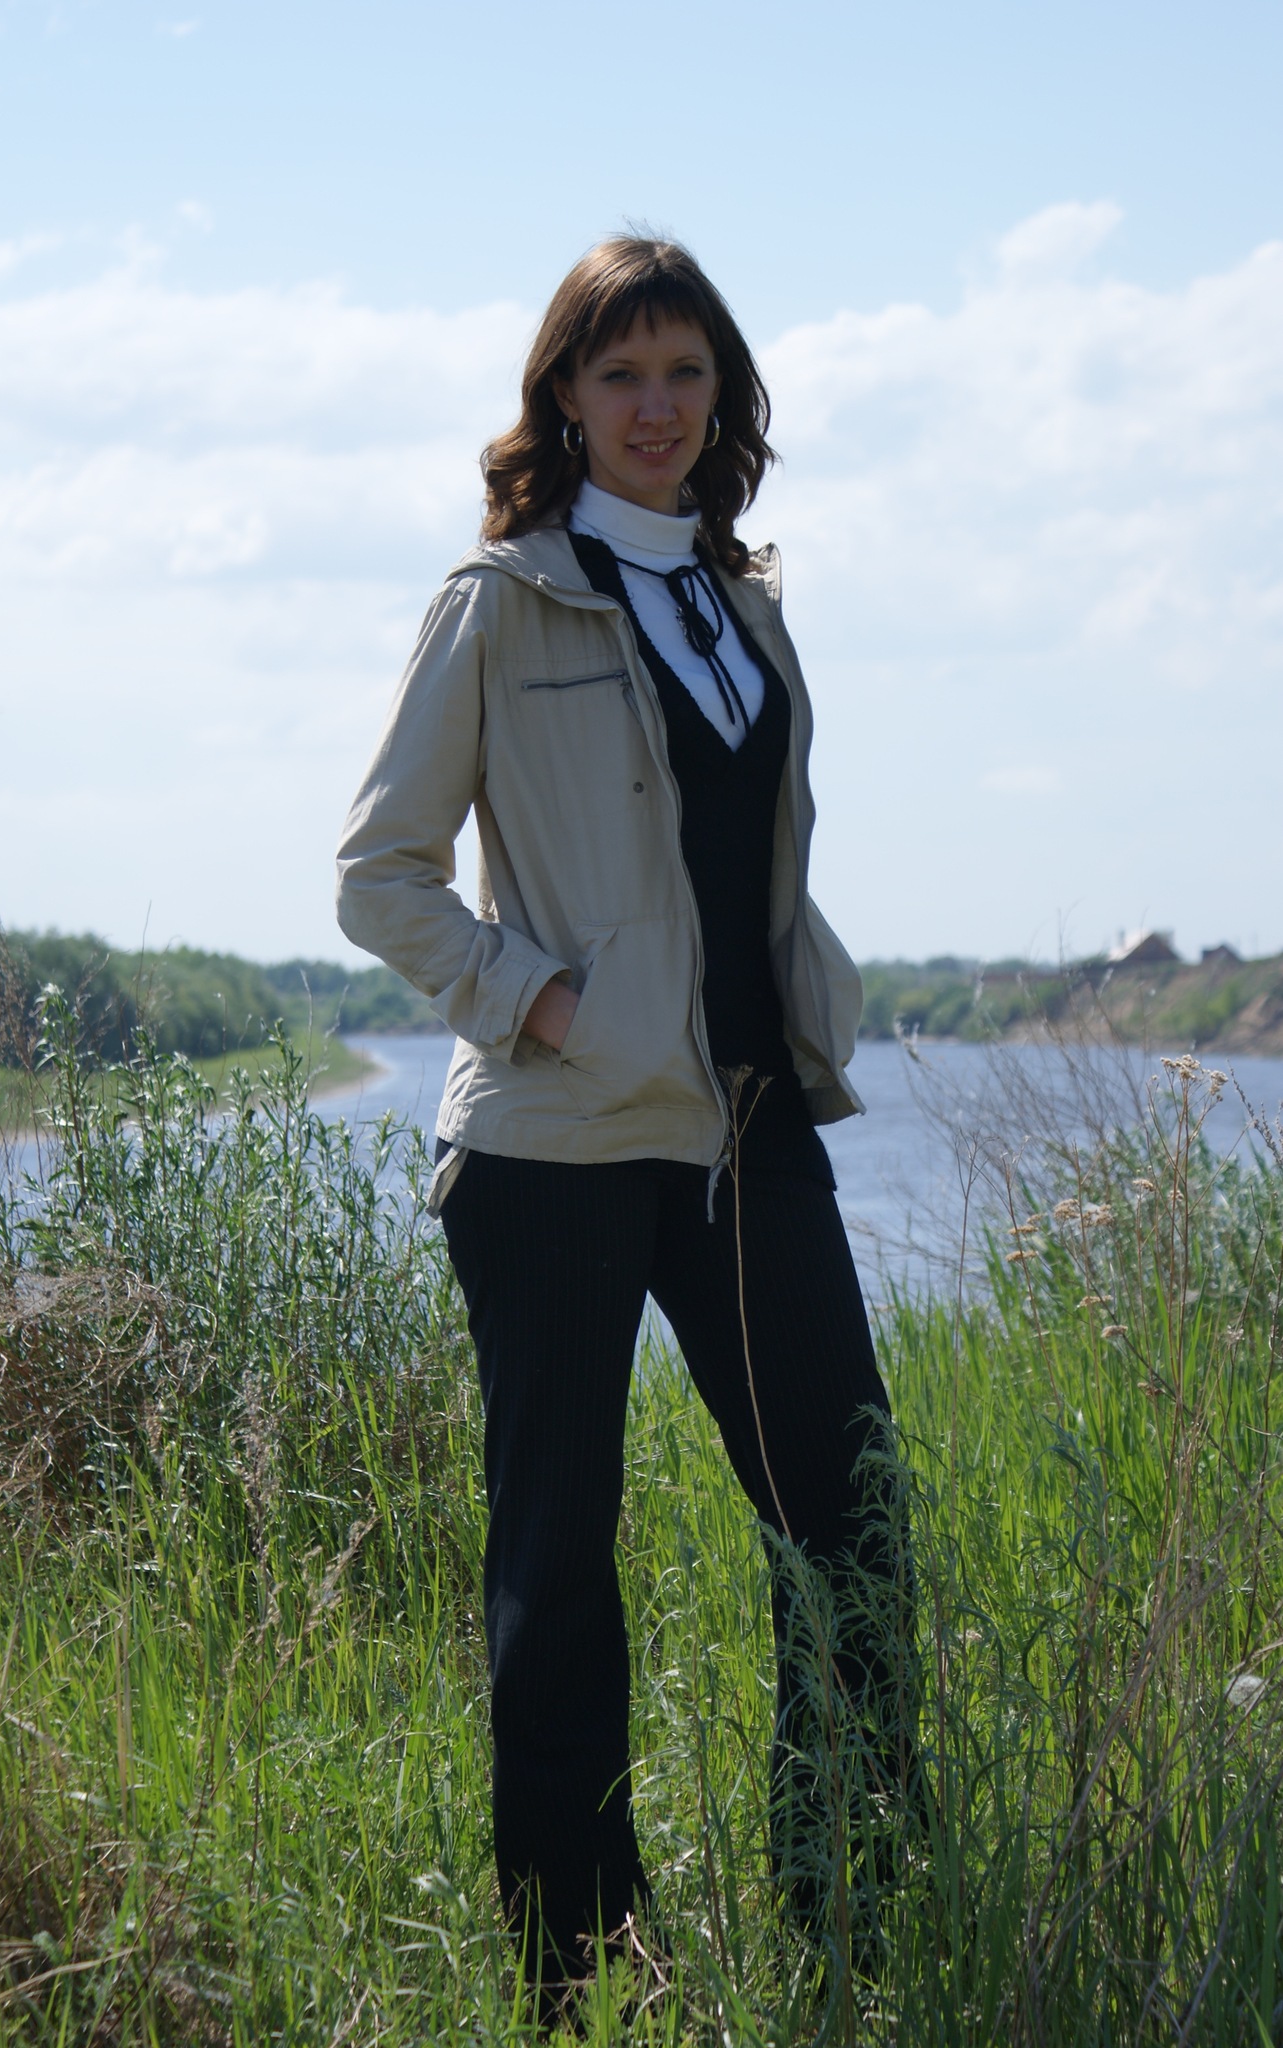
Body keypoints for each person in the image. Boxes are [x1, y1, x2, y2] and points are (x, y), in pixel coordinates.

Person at [335, 236, 910, 1997]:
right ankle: (578, 1977)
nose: (656, 406)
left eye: (685, 372)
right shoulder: (500, 602)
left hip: (748, 1129)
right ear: (565, 400)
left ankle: (848, 1930)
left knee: (853, 1532)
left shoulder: (744, 601)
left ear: (722, 394)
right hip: (558, 1147)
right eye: (620, 374)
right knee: (559, 1570)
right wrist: (543, 1001)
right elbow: (380, 876)